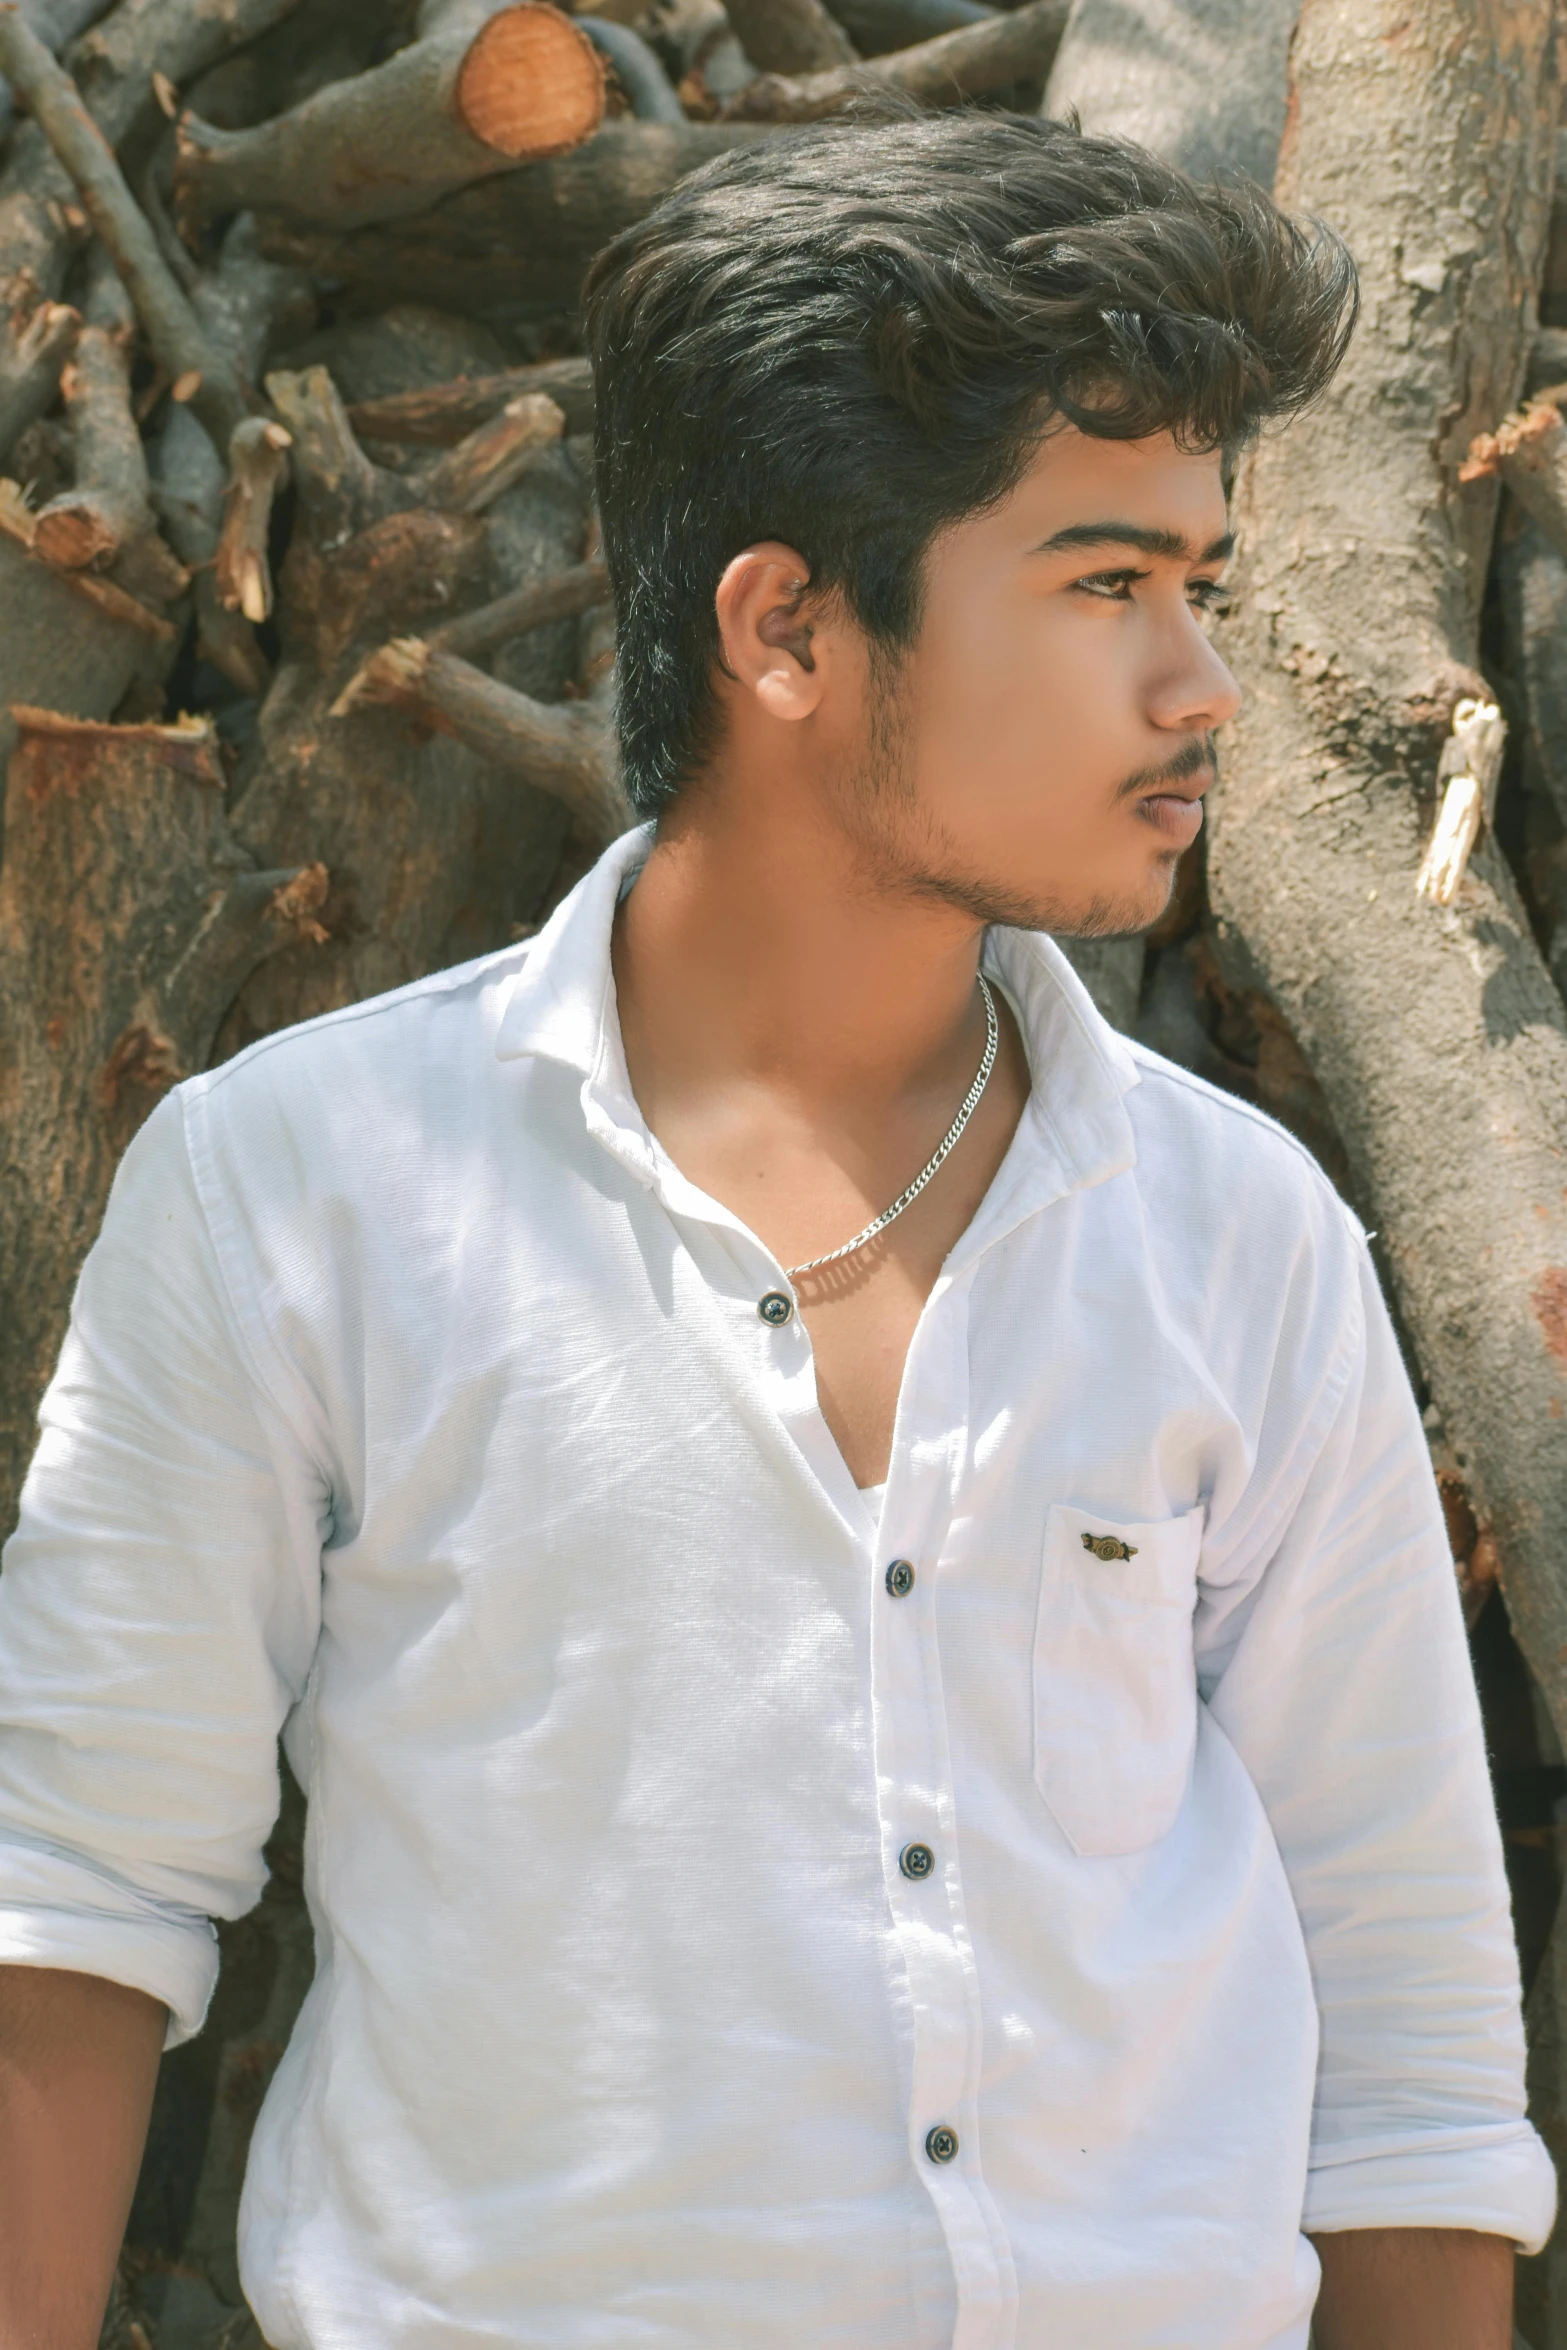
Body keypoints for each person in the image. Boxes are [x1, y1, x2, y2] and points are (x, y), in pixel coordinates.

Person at [0, 108, 1552, 2350]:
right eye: (1109, 583)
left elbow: (1403, 2049)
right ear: (788, 629)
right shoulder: (297, 1196)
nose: (1200, 679)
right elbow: (71, 1898)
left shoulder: (1242, 1242)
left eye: (1201, 587)